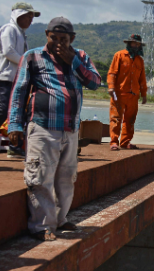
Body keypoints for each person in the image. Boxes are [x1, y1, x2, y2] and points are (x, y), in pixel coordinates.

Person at [7, 16, 101, 241]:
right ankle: (41, 226)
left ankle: (61, 219)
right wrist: (14, 124)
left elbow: (95, 83)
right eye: (53, 38)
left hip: (70, 129)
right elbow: (19, 92)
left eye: (64, 39)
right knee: (41, 176)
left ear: (72, 39)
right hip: (43, 127)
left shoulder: (80, 57)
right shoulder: (33, 57)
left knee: (66, 178)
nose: (58, 43)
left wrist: (74, 63)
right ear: (46, 35)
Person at [0, 2, 40, 159]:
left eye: (32, 17)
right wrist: (28, 63)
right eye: (29, 16)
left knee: (16, 114)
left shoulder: (21, 34)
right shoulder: (9, 29)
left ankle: (14, 146)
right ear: (19, 15)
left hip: (16, 80)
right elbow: (8, 52)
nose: (31, 20)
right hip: (5, 78)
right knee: (3, 110)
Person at [107, 34, 148, 150]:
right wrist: (111, 87)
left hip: (134, 95)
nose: (136, 46)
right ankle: (114, 142)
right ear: (129, 44)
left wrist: (144, 94)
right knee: (115, 118)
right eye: (134, 43)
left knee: (130, 120)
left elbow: (142, 79)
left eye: (138, 44)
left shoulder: (140, 61)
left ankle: (125, 142)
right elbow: (112, 73)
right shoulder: (119, 55)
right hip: (119, 94)